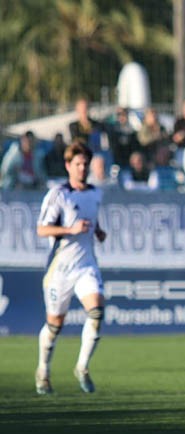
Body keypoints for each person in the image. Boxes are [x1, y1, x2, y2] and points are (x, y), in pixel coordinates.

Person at [35, 141, 107, 395]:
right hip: (60, 270)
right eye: (77, 164)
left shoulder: (95, 193)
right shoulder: (58, 194)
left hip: (86, 265)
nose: (82, 168)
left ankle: (82, 367)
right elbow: (42, 229)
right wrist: (70, 230)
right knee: (55, 324)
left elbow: (92, 221)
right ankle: (43, 371)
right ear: (68, 165)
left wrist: (98, 232)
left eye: (85, 164)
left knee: (97, 311)